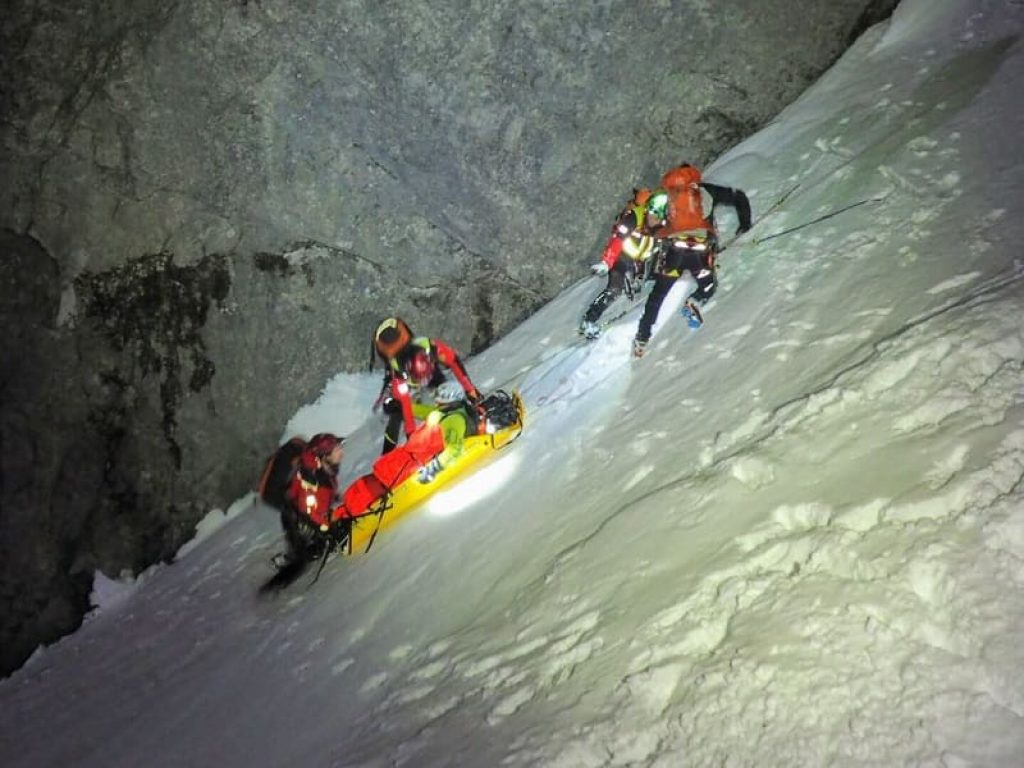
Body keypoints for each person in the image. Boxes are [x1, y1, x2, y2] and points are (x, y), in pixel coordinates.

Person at [632, 163, 752, 357]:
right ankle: (695, 301)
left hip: (674, 253)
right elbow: (739, 197)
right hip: (699, 252)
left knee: (657, 296)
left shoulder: (667, 195)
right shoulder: (704, 191)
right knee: (708, 286)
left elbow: (652, 223)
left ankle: (642, 338)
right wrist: (745, 224)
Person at [372, 316, 482, 455]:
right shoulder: (398, 376)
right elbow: (406, 409)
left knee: (447, 397)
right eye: (420, 379)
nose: (423, 382)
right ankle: (387, 454)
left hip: (426, 365)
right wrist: (411, 438)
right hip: (401, 371)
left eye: (426, 377)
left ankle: (459, 424)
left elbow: (454, 362)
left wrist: (471, 391)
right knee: (396, 411)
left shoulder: (433, 348)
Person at [579, 188, 658, 339]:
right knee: (615, 288)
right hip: (621, 258)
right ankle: (589, 320)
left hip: (638, 259)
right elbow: (617, 239)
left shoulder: (655, 219)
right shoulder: (632, 217)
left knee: (634, 282)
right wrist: (607, 262)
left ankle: (635, 290)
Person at [278, 433, 347, 565]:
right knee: (317, 548)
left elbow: (324, 495)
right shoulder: (310, 480)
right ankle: (294, 557)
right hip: (302, 521)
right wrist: (326, 528)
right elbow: (308, 512)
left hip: (315, 514)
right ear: (325, 455)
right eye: (337, 450)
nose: (341, 453)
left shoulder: (324, 469)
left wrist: (338, 497)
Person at [416, 380, 481, 483]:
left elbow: (454, 449)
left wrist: (433, 468)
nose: (436, 403)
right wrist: (403, 407)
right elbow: (427, 411)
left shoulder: (454, 419)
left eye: (439, 401)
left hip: (421, 460)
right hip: (417, 454)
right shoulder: (447, 411)